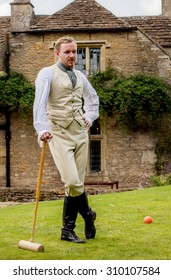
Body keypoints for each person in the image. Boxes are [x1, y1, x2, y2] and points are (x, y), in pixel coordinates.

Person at [33, 36, 99, 243]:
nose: (72, 56)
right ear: (57, 53)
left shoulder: (80, 76)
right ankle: (88, 214)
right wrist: (42, 129)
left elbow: (93, 99)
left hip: (80, 133)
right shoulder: (47, 74)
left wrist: (89, 117)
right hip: (58, 133)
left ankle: (67, 230)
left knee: (74, 185)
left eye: (74, 52)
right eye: (68, 52)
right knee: (71, 180)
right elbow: (40, 103)